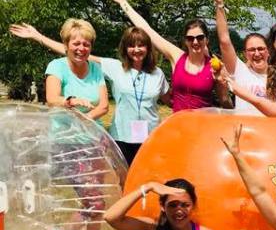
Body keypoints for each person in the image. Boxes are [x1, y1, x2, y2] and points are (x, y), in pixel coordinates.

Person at [10, 22, 169, 164]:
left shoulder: (158, 73)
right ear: (125, 48)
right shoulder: (114, 67)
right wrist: (38, 37)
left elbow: (170, 99)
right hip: (121, 136)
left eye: (141, 45)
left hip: (150, 136)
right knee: (122, 179)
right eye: (131, 45)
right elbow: (76, 51)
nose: (136, 49)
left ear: (148, 48)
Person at [103, 0, 228, 112]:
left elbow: (225, 102)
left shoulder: (214, 66)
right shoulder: (177, 56)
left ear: (207, 39)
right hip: (177, 122)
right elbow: (148, 30)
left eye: (200, 37)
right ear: (185, 41)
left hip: (202, 123)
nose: (195, 42)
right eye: (190, 38)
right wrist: (123, 3)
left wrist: (222, 84)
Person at [200, 0, 276, 114]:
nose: (257, 53)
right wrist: (219, 4)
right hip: (245, 128)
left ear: (268, 52)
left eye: (261, 49)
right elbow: (224, 40)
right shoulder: (241, 72)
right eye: (252, 50)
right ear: (245, 54)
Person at [34, 18, 109, 123]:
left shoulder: (96, 69)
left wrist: (85, 118)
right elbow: (52, 99)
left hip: (92, 131)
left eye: (86, 44)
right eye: (76, 44)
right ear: (66, 45)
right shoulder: (56, 66)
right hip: (64, 132)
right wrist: (70, 101)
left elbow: (104, 106)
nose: (81, 48)